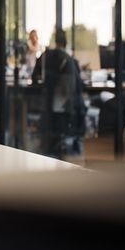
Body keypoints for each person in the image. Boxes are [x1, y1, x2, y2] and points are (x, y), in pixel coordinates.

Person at [31, 29, 85, 159]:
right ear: (66, 42)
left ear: (55, 41)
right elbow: (79, 87)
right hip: (65, 107)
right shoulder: (70, 61)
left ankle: (54, 142)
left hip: (48, 107)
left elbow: (34, 78)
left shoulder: (45, 56)